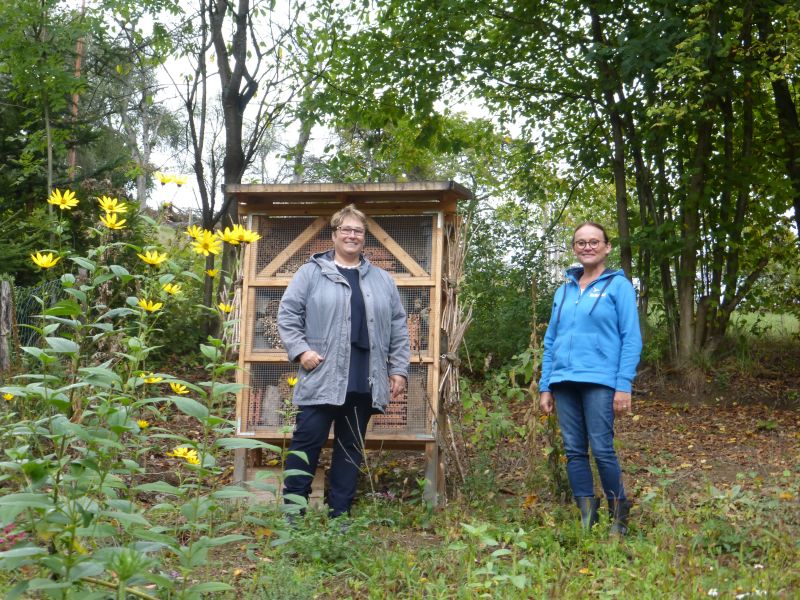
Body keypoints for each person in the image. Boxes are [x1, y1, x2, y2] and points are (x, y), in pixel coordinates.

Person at [277, 204, 410, 519]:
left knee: (351, 448)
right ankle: (293, 513)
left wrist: (399, 370)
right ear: (334, 234)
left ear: (364, 238)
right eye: (346, 230)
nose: (352, 235)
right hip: (322, 372)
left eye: (358, 231)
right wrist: (301, 350)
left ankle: (339, 513)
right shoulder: (311, 272)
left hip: (365, 375)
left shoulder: (382, 280)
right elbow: (288, 313)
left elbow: (399, 328)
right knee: (307, 442)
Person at [538, 222, 642, 535]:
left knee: (602, 448)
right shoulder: (564, 290)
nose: (587, 247)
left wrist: (623, 384)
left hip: (600, 379)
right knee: (573, 450)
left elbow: (631, 337)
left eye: (594, 242)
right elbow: (550, 340)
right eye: (581, 242)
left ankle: (618, 515)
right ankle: (588, 518)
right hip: (564, 381)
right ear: (574, 248)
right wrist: (546, 385)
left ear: (606, 247)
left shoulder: (619, 286)